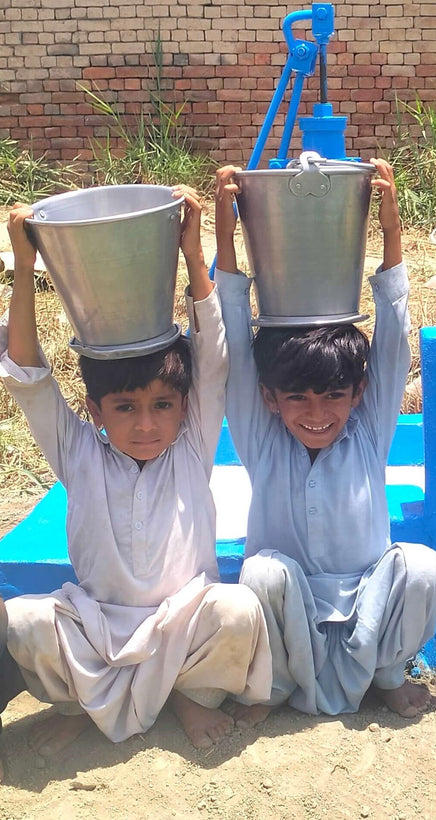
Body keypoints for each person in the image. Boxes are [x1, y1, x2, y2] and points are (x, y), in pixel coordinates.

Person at [0, 190, 272, 760]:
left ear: (182, 405)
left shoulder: (192, 444)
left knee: (239, 610)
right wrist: (25, 266)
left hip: (183, 628)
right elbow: (27, 376)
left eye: (162, 406)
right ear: (95, 412)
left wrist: (191, 254)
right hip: (99, 632)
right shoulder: (78, 452)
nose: (146, 424)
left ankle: (186, 697)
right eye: (125, 408)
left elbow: (215, 358)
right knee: (21, 621)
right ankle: (80, 706)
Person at [213, 159, 436, 726]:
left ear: (359, 392)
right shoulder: (261, 438)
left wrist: (391, 230)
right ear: (271, 398)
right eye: (297, 398)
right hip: (286, 615)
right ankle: (270, 686)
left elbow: (392, 338)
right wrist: (224, 236)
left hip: (367, 606)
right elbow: (235, 345)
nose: (317, 414)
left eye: (333, 396)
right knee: (262, 574)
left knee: (421, 566)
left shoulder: (369, 432)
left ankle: (389, 674)